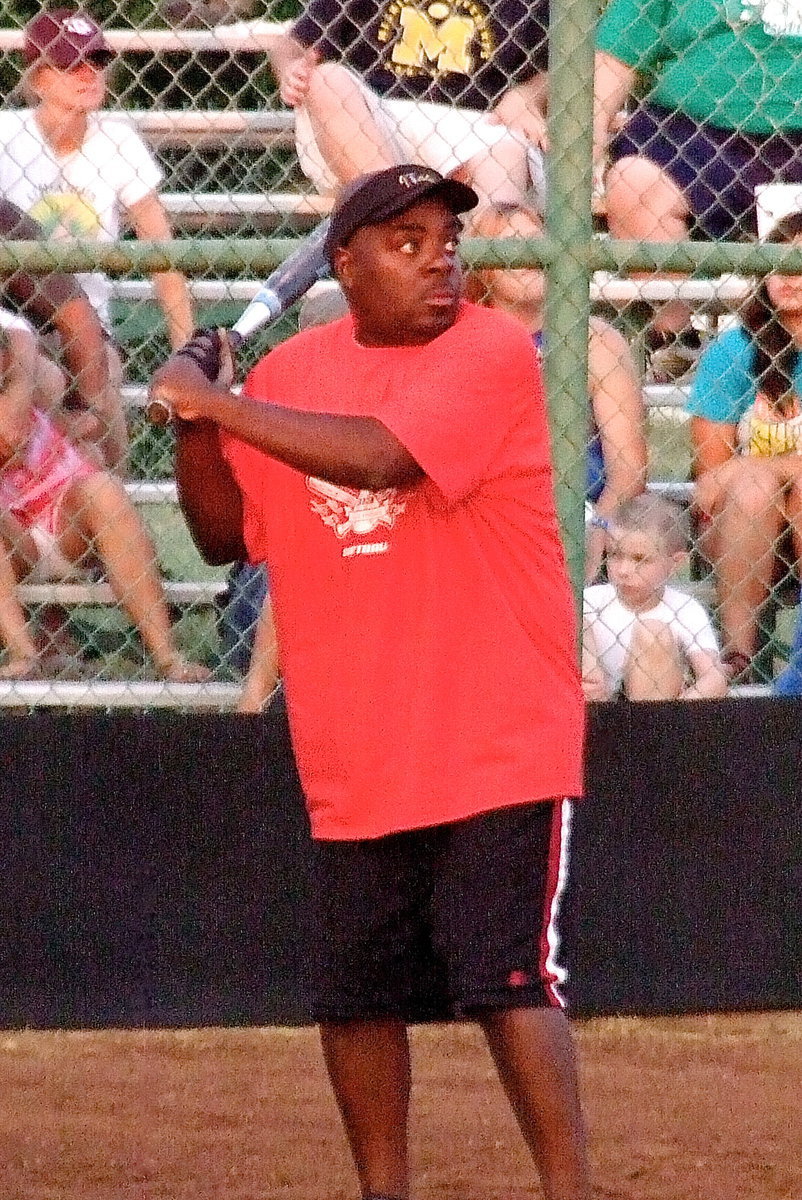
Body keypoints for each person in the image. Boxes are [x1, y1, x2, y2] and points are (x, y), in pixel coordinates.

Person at [150, 164, 591, 1200]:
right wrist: (194, 428)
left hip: (492, 733)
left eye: (447, 237)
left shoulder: (490, 351)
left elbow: (382, 461)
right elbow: (223, 535)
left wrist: (221, 400)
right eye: (405, 242)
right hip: (356, 744)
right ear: (341, 265)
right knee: (353, 996)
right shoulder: (293, 371)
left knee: (505, 979)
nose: (440, 257)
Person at [0, 8, 195, 471]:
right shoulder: (6, 135)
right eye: (71, 65)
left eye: (96, 62)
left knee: (103, 394)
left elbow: (161, 253)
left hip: (90, 317)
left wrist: (187, 351)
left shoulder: (117, 141)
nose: (89, 75)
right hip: (12, 315)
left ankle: (111, 508)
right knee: (35, 377)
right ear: (39, 78)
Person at [593, 0, 802, 380]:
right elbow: (614, 57)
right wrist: (587, 139)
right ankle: (679, 340)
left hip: (796, 133)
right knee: (633, 182)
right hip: (690, 131)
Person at [0, 309, 209, 683]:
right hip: (11, 536)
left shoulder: (15, 348)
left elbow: (12, 432)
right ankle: (23, 655)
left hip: (63, 513)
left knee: (104, 490)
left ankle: (167, 657)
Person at [465, 200, 648, 580]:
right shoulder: (462, 339)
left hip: (579, 506)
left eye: (536, 241)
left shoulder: (593, 338)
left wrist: (600, 529)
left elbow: (628, 468)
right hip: (488, 510)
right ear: (483, 267)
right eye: (510, 245)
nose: (528, 255)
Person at [267, 0, 550, 214]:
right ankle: (398, 217)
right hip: (380, 121)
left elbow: (561, 62)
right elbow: (293, 43)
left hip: (475, 126)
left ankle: (479, 276)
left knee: (506, 154)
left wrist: (527, 94)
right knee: (326, 81)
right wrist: (291, 67)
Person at [688, 211, 802, 682]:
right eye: (780, 263)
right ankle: (738, 657)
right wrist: (775, 469)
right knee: (753, 484)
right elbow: (710, 486)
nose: (789, 277)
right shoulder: (734, 352)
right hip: (742, 527)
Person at [583, 494, 727, 701]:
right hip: (597, 707)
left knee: (654, 633)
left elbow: (715, 678)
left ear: (675, 563)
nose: (624, 570)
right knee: (575, 621)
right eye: (615, 555)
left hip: (653, 708)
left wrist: (681, 708)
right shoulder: (592, 600)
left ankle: (647, 729)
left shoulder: (684, 608)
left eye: (640, 559)